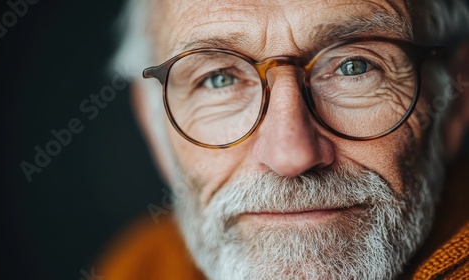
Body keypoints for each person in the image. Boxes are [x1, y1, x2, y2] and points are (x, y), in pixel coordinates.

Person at [100, 0, 469, 279]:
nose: (291, 156)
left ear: (454, 102)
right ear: (153, 123)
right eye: (219, 79)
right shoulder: (139, 266)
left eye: (354, 67)